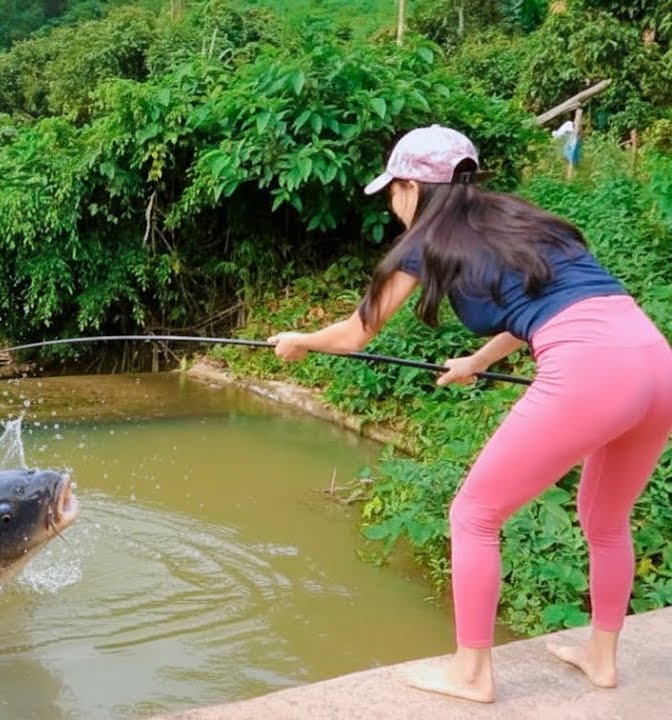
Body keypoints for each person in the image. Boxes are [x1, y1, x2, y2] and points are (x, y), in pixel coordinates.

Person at [265, 124, 672, 703]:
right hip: (656, 363)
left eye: (393, 190)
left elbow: (358, 333)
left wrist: (301, 340)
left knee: (474, 514)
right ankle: (602, 659)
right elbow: (548, 304)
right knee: (605, 521)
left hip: (591, 371)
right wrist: (477, 361)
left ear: (411, 186)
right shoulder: (521, 219)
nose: (393, 202)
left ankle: (472, 673)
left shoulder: (424, 242)